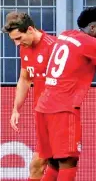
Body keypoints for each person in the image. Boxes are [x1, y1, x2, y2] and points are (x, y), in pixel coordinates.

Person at [34, 6, 96, 180]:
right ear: (92, 28)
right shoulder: (92, 44)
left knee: (53, 162)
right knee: (69, 161)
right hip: (63, 109)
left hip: (44, 106)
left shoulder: (66, 34)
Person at [2, 11, 57, 181]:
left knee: (40, 164)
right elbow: (25, 79)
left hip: (58, 114)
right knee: (49, 165)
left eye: (19, 38)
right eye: (13, 40)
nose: (17, 44)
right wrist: (15, 109)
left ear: (31, 29)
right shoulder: (25, 48)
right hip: (42, 115)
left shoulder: (54, 47)